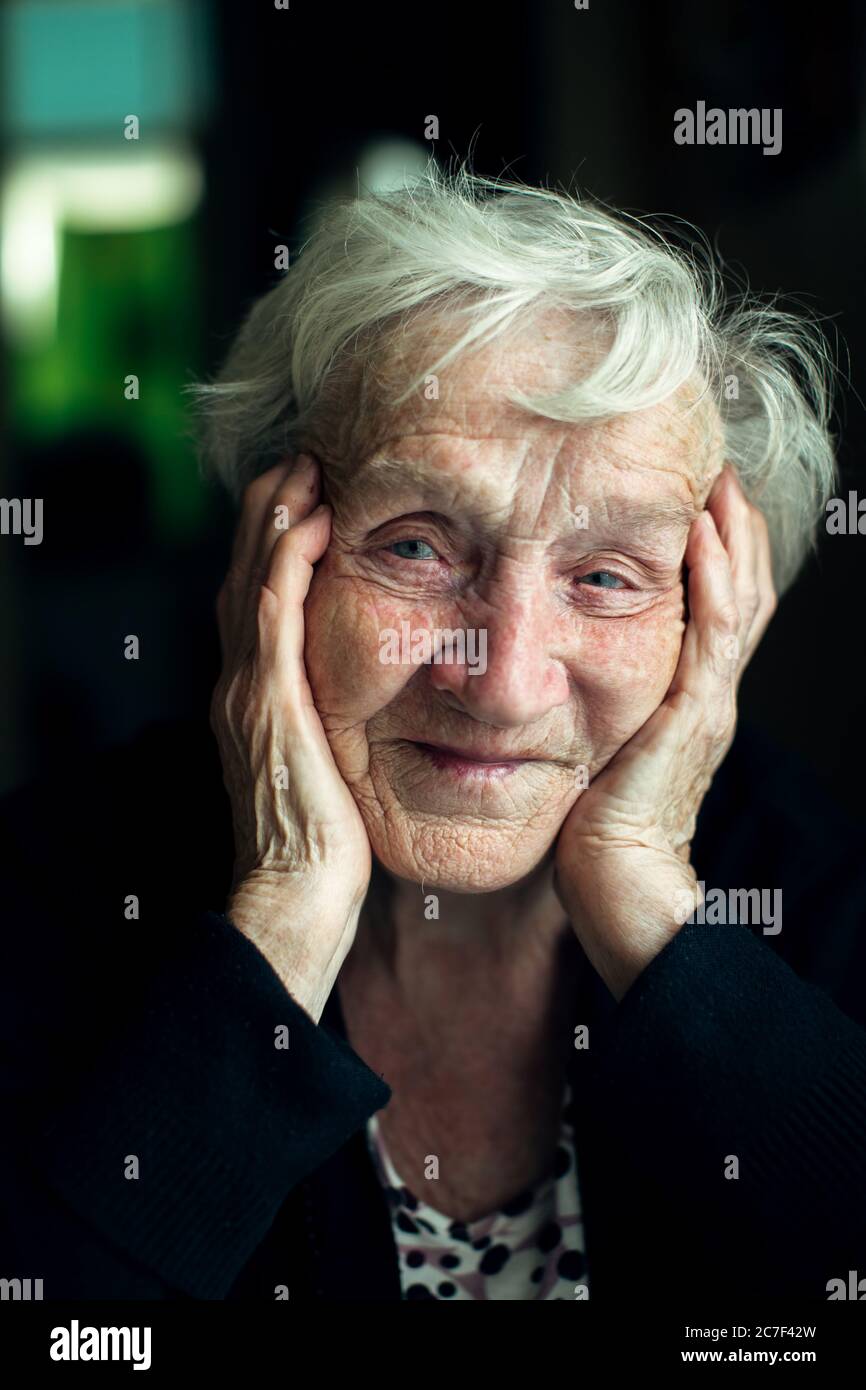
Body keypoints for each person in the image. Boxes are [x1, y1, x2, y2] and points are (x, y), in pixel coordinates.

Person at [2, 165, 865, 1302]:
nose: (501, 683)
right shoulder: (50, 889)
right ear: (274, 550)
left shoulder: (816, 894)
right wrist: (284, 917)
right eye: (415, 546)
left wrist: (656, 910)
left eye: (605, 577)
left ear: (715, 614)